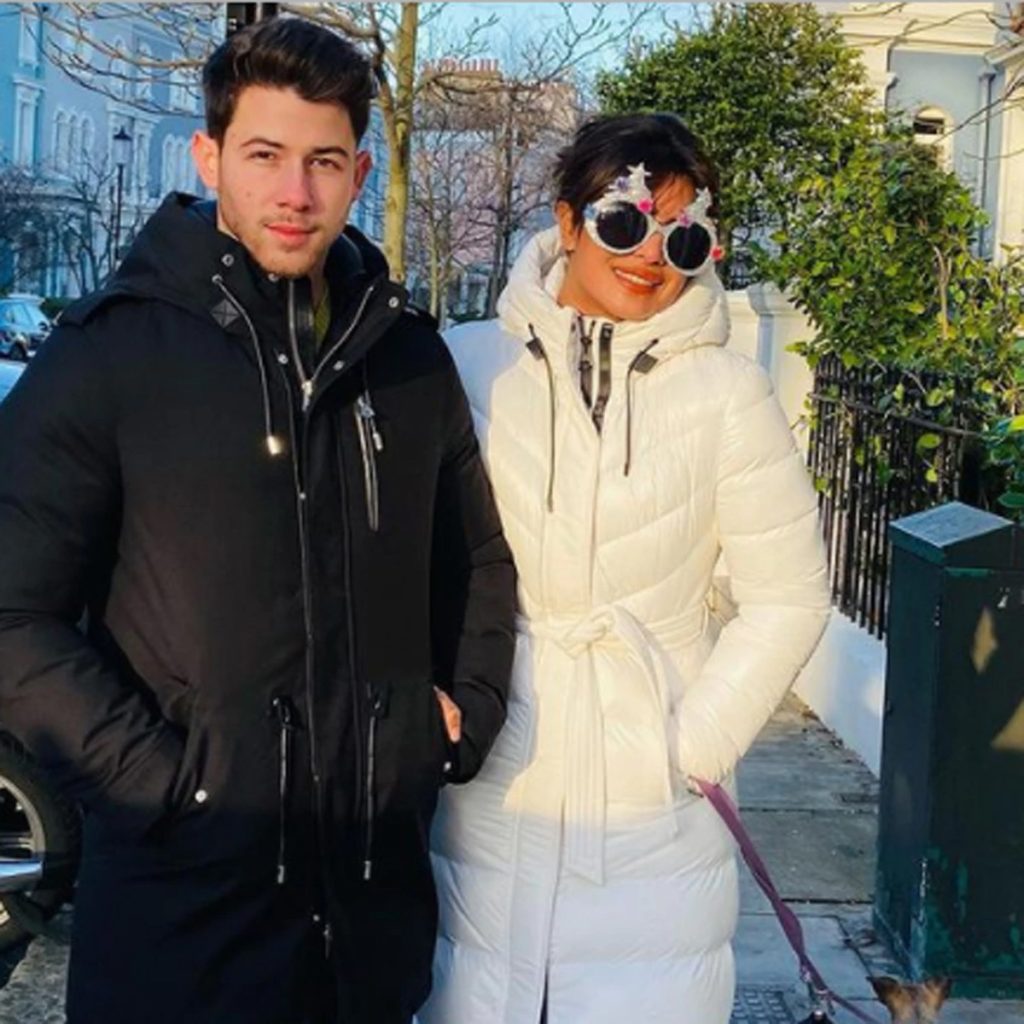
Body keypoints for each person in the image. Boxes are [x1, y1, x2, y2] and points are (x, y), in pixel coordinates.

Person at [0, 16, 515, 1024]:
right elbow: (14, 614)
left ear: (359, 171)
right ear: (210, 157)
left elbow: (475, 562)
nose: (295, 193)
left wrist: (460, 715)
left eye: (323, 162)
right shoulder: (112, 354)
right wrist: (162, 782)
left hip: (368, 926)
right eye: (265, 156)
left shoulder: (406, 358)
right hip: (179, 926)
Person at [419, 113, 830, 1024]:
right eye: (623, 223)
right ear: (567, 222)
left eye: (681, 238)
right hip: (494, 763)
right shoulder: (467, 366)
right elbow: (403, 556)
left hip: (653, 786)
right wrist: (430, 699)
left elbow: (790, 593)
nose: (651, 256)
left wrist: (694, 744)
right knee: (481, 990)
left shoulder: (729, 392)